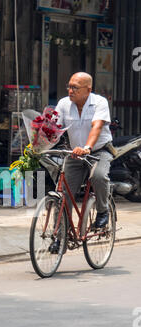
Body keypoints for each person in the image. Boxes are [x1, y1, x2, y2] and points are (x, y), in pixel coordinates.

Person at [55, 72, 114, 228]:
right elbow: (53, 127)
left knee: (99, 177)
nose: (70, 91)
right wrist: (39, 141)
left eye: (75, 87)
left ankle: (102, 211)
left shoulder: (100, 102)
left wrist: (88, 147)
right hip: (75, 153)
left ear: (88, 89)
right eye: (69, 86)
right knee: (63, 192)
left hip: (99, 151)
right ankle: (59, 234)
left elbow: (97, 127)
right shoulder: (63, 104)